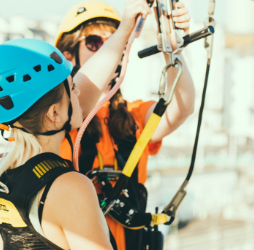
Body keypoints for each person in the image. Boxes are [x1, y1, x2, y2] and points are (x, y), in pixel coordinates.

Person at [0, 1, 152, 249]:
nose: (80, 93)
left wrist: (124, 31)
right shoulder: (72, 187)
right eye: (73, 87)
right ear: (54, 113)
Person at [57, 1, 195, 249]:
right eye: (95, 43)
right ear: (68, 54)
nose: (110, 50)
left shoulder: (133, 118)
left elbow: (181, 107)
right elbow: (78, 95)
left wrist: (170, 43)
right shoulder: (56, 119)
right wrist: (123, 32)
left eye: (116, 43)